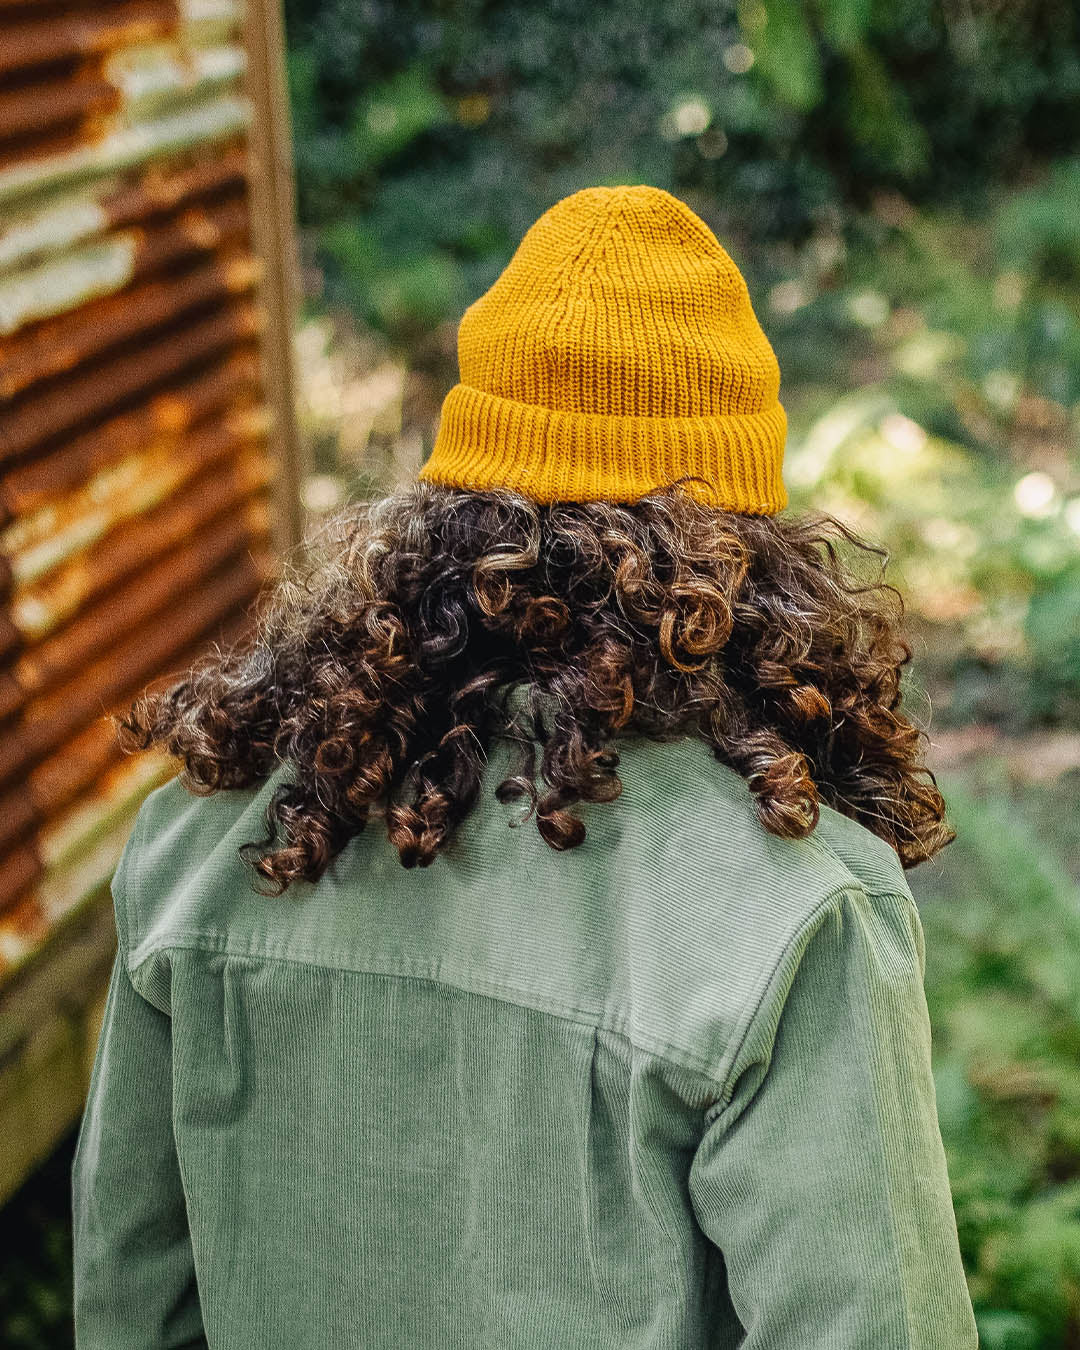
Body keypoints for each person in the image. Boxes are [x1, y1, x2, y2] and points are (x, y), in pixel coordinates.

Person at [71, 185, 979, 1348]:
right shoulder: (795, 914)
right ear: (744, 552)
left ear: (445, 515)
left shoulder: (205, 848)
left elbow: (129, 1310)